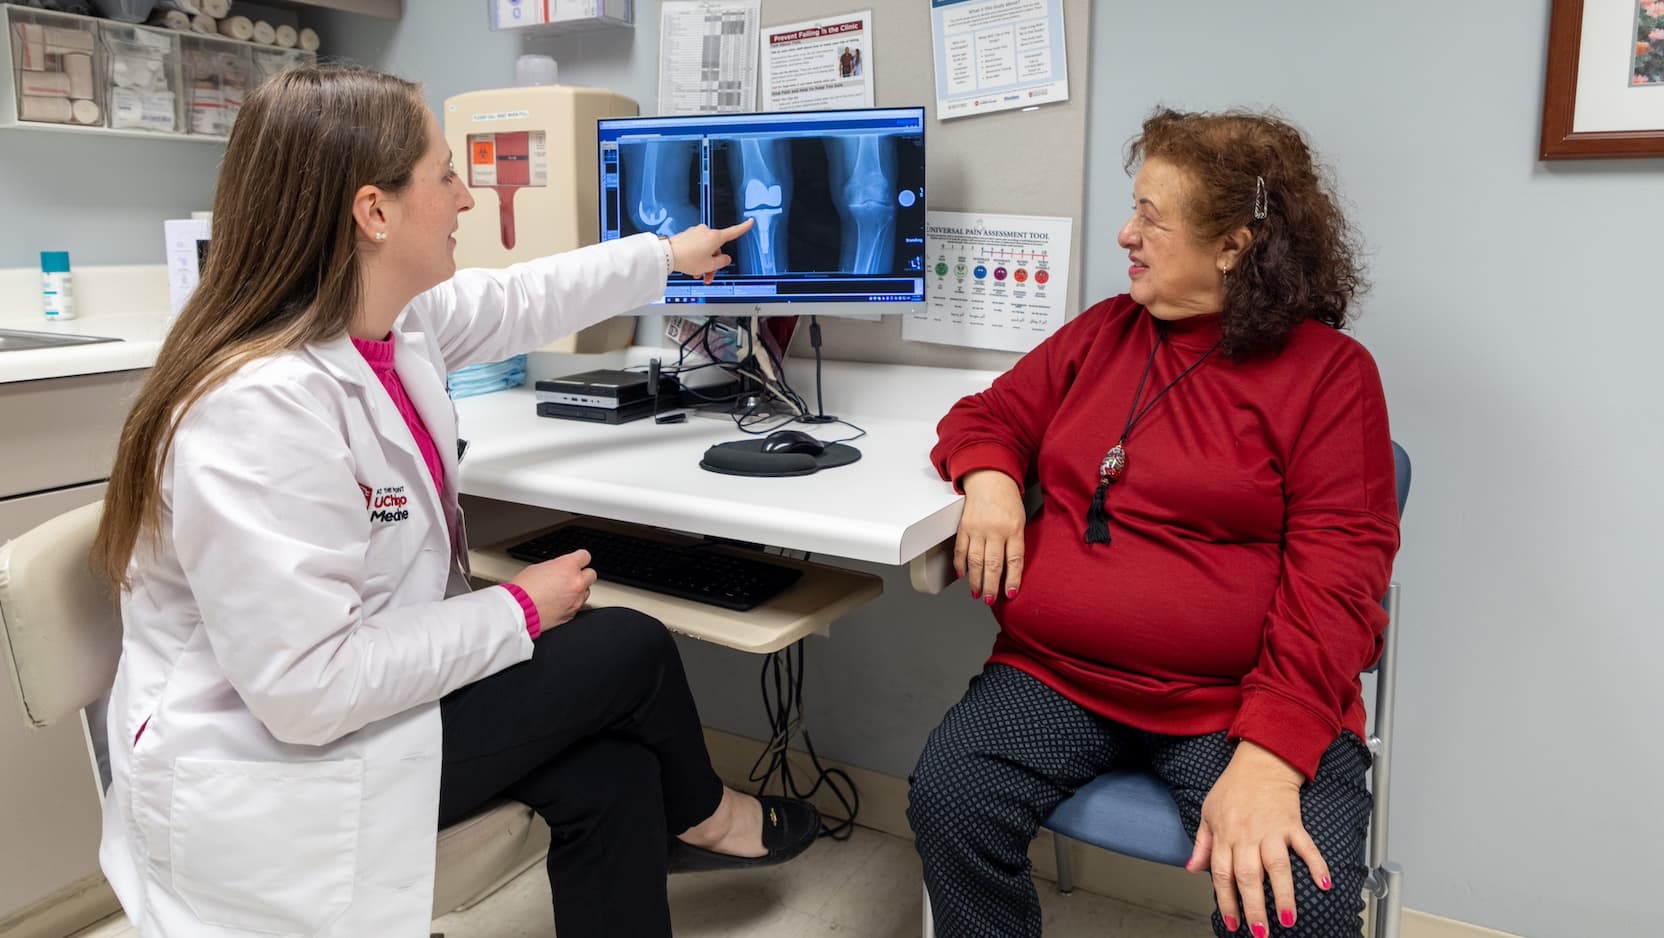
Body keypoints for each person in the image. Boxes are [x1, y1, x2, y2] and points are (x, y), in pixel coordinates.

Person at [89, 65, 819, 938]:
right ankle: (709, 817)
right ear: (374, 211)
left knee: (616, 771)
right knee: (628, 645)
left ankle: (697, 815)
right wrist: (519, 609)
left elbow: (523, 298)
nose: (468, 197)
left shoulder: (387, 327)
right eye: (443, 173)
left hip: (361, 708)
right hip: (273, 761)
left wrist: (665, 256)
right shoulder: (257, 408)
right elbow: (305, 688)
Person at [907, 107, 1399, 938]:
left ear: (1234, 245)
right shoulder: (1107, 333)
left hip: (1234, 702)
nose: (1125, 234)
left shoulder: (1331, 377)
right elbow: (988, 414)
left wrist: (1273, 755)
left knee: (1295, 908)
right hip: (1059, 678)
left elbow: (1340, 584)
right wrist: (990, 482)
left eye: (1150, 218)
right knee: (950, 799)